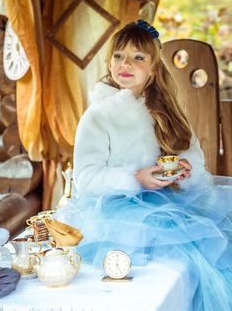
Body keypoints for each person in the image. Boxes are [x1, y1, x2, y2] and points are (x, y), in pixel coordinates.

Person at [57, 20, 232, 311]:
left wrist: (186, 170)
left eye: (138, 57)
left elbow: (193, 155)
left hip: (175, 201)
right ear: (109, 62)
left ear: (153, 68)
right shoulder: (98, 116)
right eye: (118, 56)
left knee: (210, 256)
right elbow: (85, 178)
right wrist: (135, 178)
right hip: (119, 212)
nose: (126, 64)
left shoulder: (167, 110)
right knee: (174, 264)